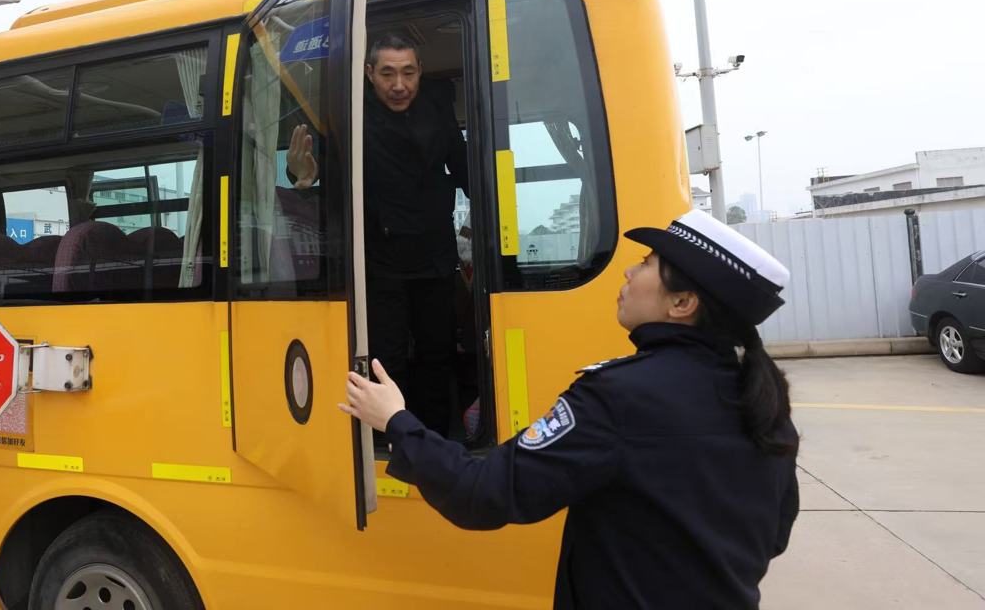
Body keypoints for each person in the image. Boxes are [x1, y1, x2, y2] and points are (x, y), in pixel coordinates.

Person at [340, 208, 800, 609]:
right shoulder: (761, 399)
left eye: (646, 264)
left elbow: (481, 493)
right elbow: (772, 536)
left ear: (682, 303)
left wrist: (396, 420)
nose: (629, 273)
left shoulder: (620, 397)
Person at [289, 33, 469, 436]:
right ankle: (394, 441)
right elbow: (317, 167)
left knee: (438, 355)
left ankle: (436, 440)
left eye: (408, 73)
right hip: (379, 261)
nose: (399, 85)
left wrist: (493, 200)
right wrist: (301, 175)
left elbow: (463, 168)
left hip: (435, 256)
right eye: (388, 74)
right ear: (369, 74)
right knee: (386, 360)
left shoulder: (438, 107)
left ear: (420, 71)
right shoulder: (348, 112)